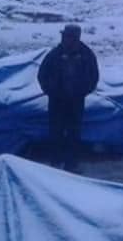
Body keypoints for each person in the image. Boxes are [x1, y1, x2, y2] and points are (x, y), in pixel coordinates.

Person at [37, 24, 99, 171]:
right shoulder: (54, 54)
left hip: (76, 102)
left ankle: (71, 164)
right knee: (55, 131)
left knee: (74, 133)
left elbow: (93, 76)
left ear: (76, 38)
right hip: (56, 101)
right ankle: (55, 162)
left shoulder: (86, 55)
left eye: (70, 37)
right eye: (65, 36)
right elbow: (42, 75)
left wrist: (82, 92)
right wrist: (51, 91)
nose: (67, 39)